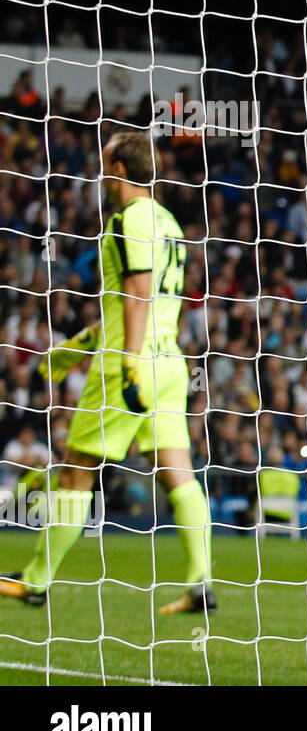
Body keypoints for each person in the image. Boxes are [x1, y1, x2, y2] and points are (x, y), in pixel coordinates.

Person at [0, 132, 214, 614]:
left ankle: (35, 580)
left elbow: (137, 294)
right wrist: (78, 347)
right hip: (170, 361)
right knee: (176, 473)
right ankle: (202, 580)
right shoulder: (168, 221)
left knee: (77, 473)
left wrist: (128, 360)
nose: (99, 173)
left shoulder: (128, 219)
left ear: (117, 168)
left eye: (104, 163)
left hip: (129, 363)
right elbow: (138, 303)